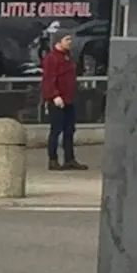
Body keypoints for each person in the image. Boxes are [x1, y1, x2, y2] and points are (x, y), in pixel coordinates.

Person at [39, 26, 81, 170]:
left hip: (69, 99)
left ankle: (69, 158)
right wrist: (54, 95)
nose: (70, 42)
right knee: (56, 130)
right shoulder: (51, 58)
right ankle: (53, 160)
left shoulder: (68, 57)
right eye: (67, 39)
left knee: (70, 130)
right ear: (58, 41)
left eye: (70, 39)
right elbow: (48, 79)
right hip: (57, 100)